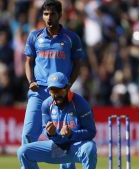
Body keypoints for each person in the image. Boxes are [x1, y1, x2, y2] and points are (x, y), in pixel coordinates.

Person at [21, 0, 84, 169]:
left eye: (53, 14)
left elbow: (77, 63)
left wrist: (69, 84)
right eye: (46, 14)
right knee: (27, 135)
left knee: (64, 138)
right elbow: (29, 62)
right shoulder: (35, 36)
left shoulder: (71, 38)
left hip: (61, 94)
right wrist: (31, 81)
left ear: (60, 15)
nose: (49, 18)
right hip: (39, 91)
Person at [17, 72, 97, 169]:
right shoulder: (46, 105)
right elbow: (46, 130)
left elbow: (91, 132)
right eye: (53, 91)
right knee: (23, 151)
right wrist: (51, 134)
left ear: (67, 88)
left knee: (90, 148)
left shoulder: (80, 104)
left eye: (60, 91)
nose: (57, 95)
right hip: (56, 147)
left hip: (75, 146)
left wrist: (71, 134)